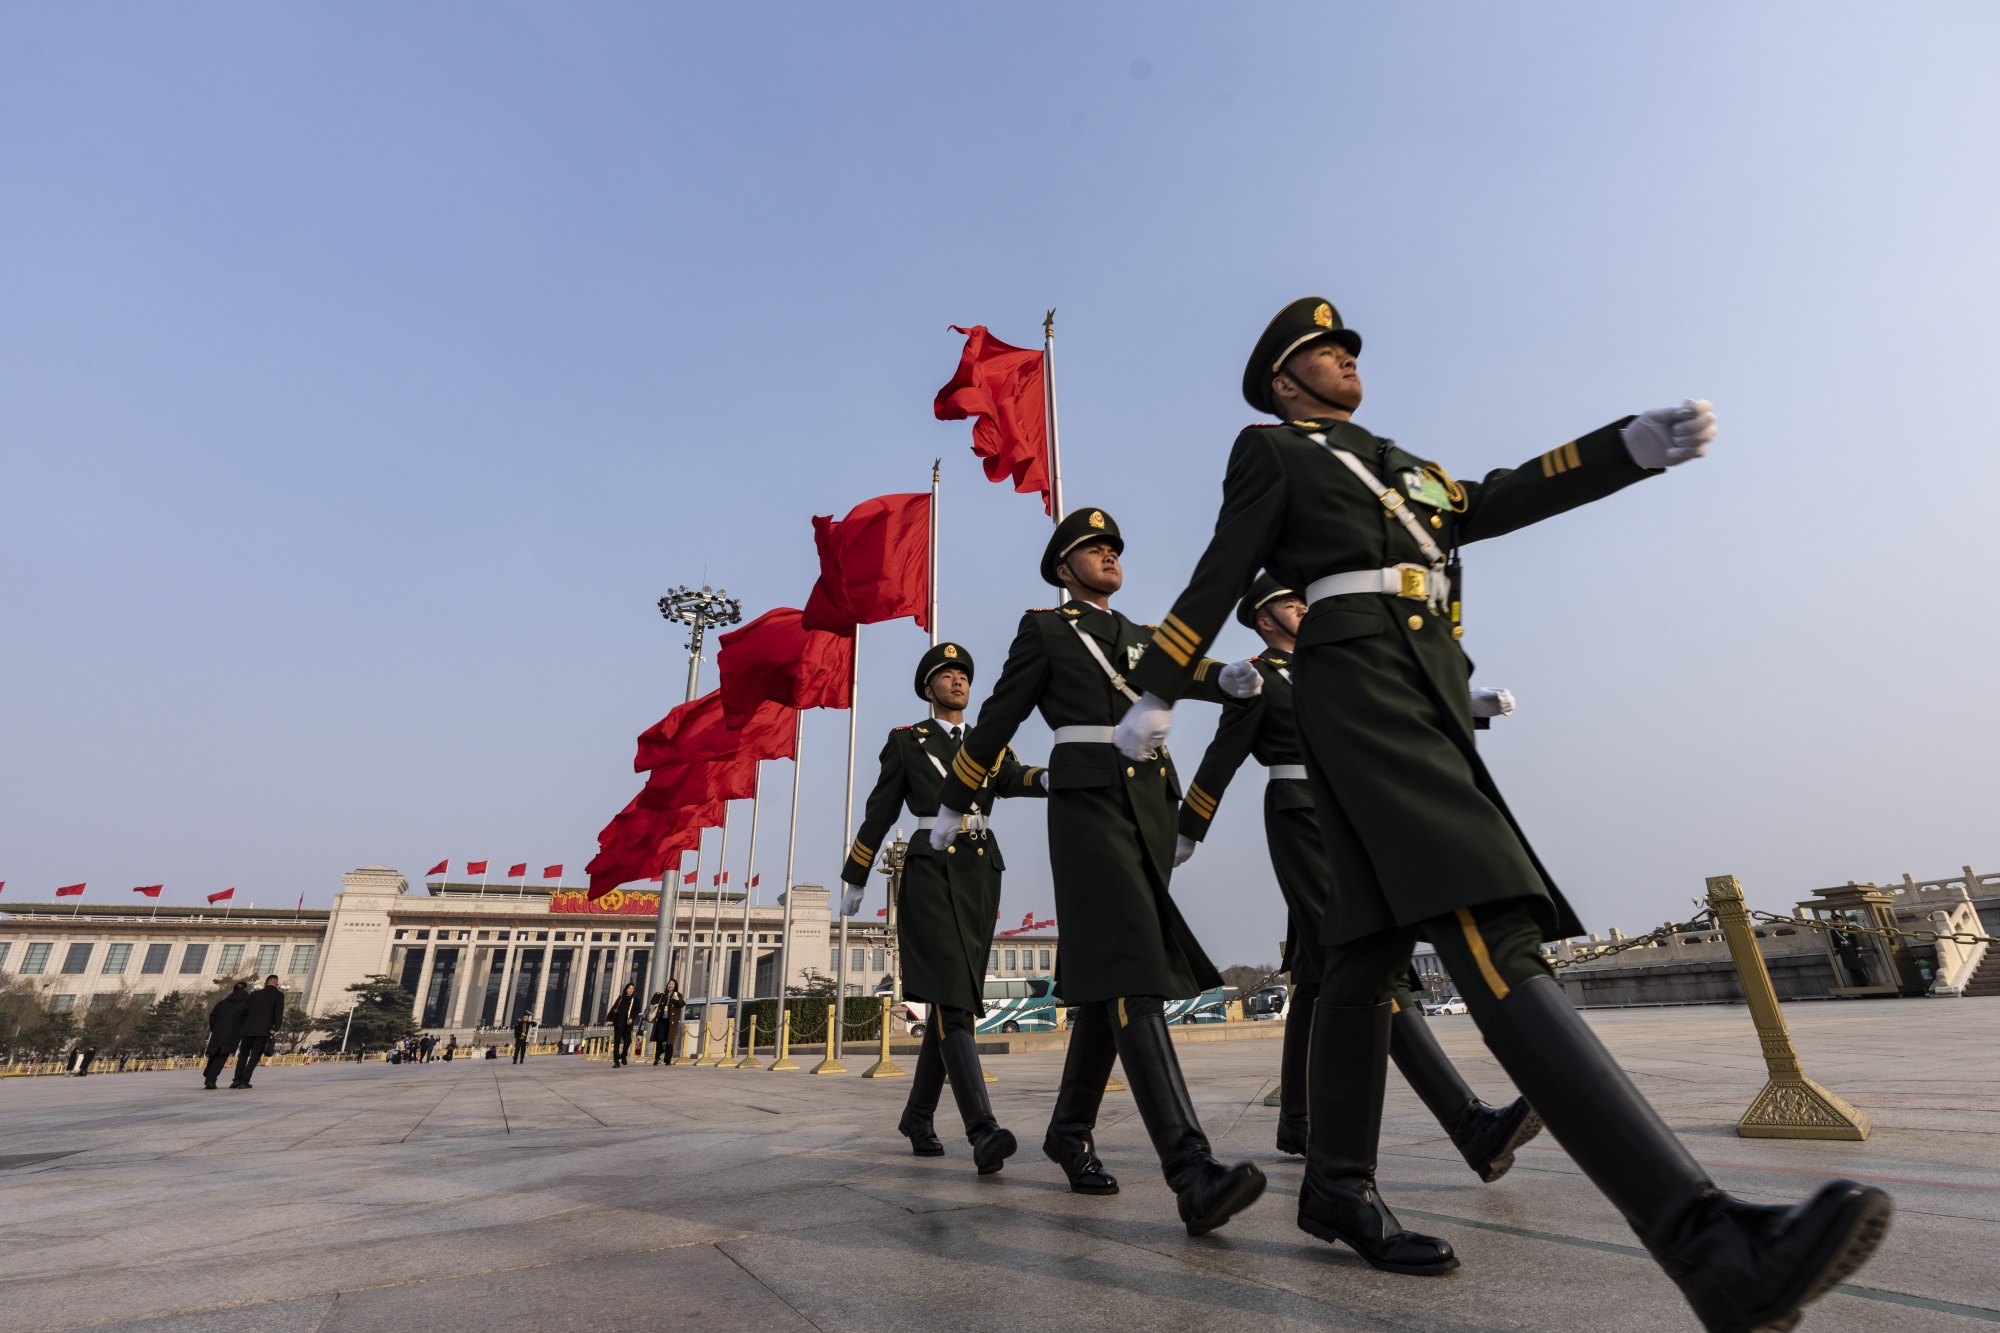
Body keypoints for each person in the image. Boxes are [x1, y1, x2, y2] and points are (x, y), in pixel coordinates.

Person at [1118, 296, 1889, 1328]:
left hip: (1412, 684)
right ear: (1283, 382)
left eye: (1346, 345)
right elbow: (1221, 568)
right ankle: (1704, 1241)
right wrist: (1161, 684)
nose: (1344, 355)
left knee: (1360, 951)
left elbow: (1484, 500)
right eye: (1320, 350)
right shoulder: (1271, 453)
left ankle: (1337, 1187)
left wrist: (1620, 448)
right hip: (1358, 688)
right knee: (1487, 920)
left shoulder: (1397, 463)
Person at [933, 508, 1266, 1235]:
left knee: (1111, 976)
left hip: (1148, 806)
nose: (1110, 552)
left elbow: (1186, 669)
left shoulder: (1141, 636)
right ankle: (1190, 1168)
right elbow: (996, 722)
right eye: (1092, 546)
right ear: (1063, 569)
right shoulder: (1046, 631)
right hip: (1087, 806)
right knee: (1133, 970)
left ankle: (1069, 1128)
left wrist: (1234, 675)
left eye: (1114, 545)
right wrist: (956, 800)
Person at [1176, 573, 1539, 1180]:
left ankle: (1297, 1118)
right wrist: (1190, 827)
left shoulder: (1336, 665)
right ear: (1266, 621)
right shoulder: (1258, 675)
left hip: (1353, 817)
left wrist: (1464, 710)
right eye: (1292, 604)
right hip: (1302, 817)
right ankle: (1469, 1123)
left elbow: (1393, 717)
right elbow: (1225, 751)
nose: (1303, 608)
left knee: (1321, 976)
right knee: (1365, 957)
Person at [844, 640, 1046, 1174]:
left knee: (951, 996)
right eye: (947, 674)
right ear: (928, 687)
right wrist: (856, 875)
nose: (958, 681)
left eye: (963, 675)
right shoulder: (908, 742)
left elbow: (1010, 779)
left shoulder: (988, 741)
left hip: (981, 872)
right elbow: (879, 810)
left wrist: (1051, 777)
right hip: (930, 869)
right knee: (955, 1002)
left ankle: (917, 1115)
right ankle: (983, 1128)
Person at [233, 974, 285, 1088]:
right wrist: (275, 1028)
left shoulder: (254, 994)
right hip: (263, 1030)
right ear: (276, 984)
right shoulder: (279, 995)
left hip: (248, 1028)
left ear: (264, 984)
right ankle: (244, 1081)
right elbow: (278, 1013)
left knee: (243, 1054)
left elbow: (246, 1010)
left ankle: (236, 1079)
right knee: (255, 1056)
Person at [203, 981, 250, 1090]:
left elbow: (212, 1016)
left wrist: (213, 1028)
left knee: (214, 1053)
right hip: (232, 1034)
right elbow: (247, 1020)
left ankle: (208, 1074)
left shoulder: (222, 1003)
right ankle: (210, 1079)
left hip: (218, 1032)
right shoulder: (245, 1005)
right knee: (222, 1056)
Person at [607, 983, 638, 1067]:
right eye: (629, 988)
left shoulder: (635, 1000)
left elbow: (636, 1011)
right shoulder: (621, 998)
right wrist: (608, 1019)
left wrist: (631, 1018)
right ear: (626, 989)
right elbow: (614, 1008)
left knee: (627, 1042)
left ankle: (623, 1055)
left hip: (628, 1024)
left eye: (632, 988)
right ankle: (616, 1062)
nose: (630, 990)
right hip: (618, 1023)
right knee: (616, 1043)